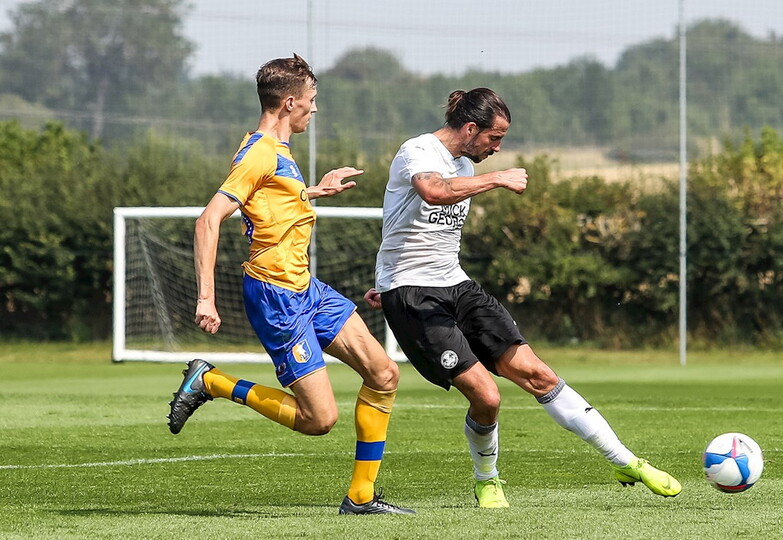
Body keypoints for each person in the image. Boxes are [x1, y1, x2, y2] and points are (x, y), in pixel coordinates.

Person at [364, 87, 681, 509]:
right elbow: (433, 191)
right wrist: (497, 178)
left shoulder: (463, 164)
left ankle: (626, 461)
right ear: (471, 128)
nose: (497, 148)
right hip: (412, 295)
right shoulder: (418, 150)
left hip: (455, 284)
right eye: (494, 138)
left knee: (539, 375)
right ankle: (487, 480)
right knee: (487, 397)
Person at [166, 54, 414, 516]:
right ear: (289, 103)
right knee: (319, 420)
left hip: (306, 287)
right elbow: (208, 220)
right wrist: (206, 297)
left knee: (384, 373)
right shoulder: (260, 151)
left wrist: (313, 192)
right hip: (276, 294)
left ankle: (361, 498)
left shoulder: (276, 151)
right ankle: (212, 382)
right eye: (311, 100)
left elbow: (267, 201)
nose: (315, 109)